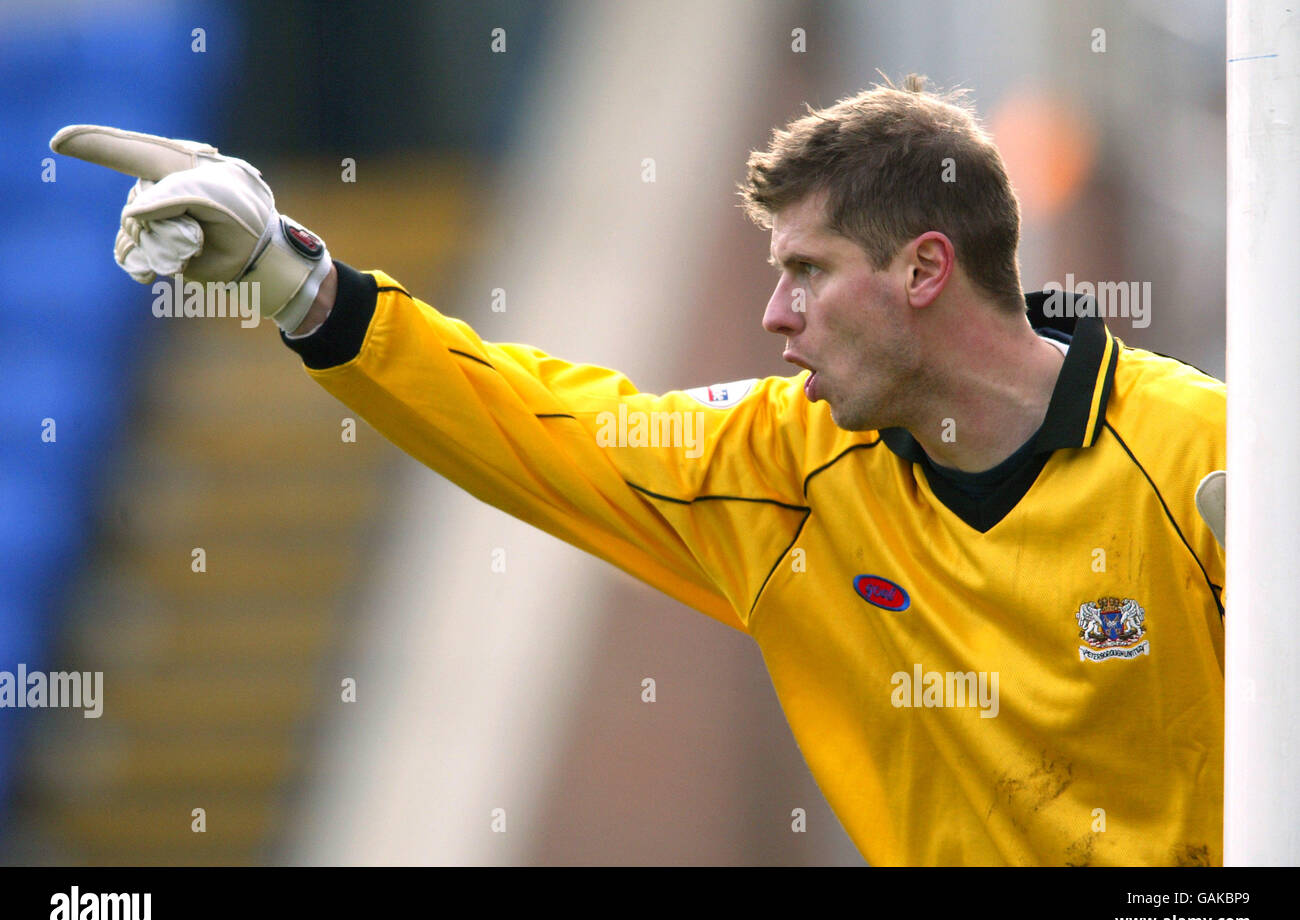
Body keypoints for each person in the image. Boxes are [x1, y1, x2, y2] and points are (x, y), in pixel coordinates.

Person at [52, 74, 1226, 866]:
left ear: (923, 269)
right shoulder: (780, 465)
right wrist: (287, 274)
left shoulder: (1206, 457)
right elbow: (538, 420)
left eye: (807, 271)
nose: (775, 314)